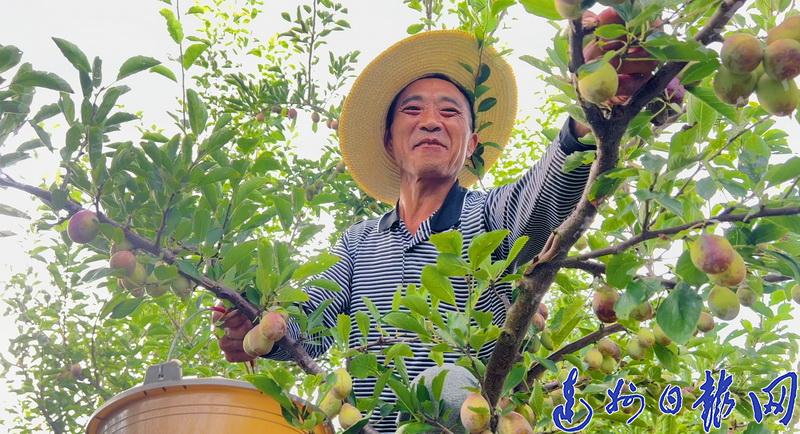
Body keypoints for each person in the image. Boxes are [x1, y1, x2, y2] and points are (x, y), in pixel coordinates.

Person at [217, 30, 598, 432]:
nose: (431, 122)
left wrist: (586, 118)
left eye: (450, 113)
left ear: (471, 144)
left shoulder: (488, 217)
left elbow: (543, 197)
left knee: (447, 384)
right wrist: (261, 326)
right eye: (413, 111)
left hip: (462, 424)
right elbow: (311, 325)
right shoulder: (358, 243)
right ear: (389, 140)